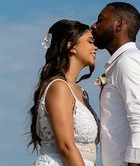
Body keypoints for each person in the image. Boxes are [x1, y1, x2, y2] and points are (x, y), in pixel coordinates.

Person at [91, 2, 140, 166]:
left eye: (100, 20)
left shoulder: (128, 62)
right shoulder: (119, 63)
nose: (94, 25)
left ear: (119, 24)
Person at [29, 19, 100, 166]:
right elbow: (66, 146)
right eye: (90, 41)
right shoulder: (59, 87)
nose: (95, 47)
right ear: (71, 46)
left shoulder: (82, 93)